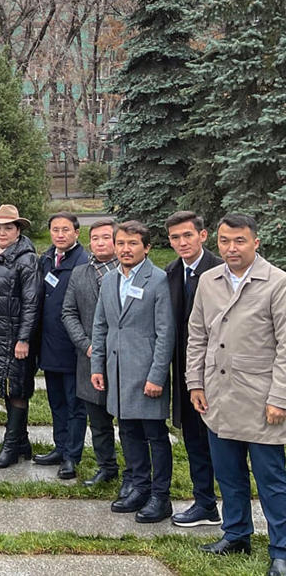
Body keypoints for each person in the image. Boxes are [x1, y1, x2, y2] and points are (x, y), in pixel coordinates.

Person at [186, 214, 286, 575]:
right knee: (228, 475)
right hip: (218, 397)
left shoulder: (276, 283)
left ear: (255, 243)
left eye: (239, 241)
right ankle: (237, 534)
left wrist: (280, 397)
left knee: (272, 481)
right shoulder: (209, 281)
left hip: (260, 399)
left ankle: (281, 549)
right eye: (225, 241)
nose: (231, 248)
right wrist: (194, 382)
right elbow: (196, 335)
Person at [91, 221, 175, 524]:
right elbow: (100, 325)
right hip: (116, 372)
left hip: (145, 375)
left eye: (133, 244)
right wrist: (97, 366)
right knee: (127, 432)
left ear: (147, 247)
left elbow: (165, 333)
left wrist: (157, 376)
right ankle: (139, 487)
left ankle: (160, 496)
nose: (126, 249)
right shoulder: (110, 279)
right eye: (121, 243)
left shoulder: (158, 280)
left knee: (154, 434)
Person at [165, 210, 222, 529]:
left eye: (188, 235)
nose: (182, 242)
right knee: (194, 440)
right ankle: (205, 503)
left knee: (222, 442)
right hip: (186, 371)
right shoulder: (171, 272)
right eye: (175, 237)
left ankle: (235, 508)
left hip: (218, 371)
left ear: (202, 235)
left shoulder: (220, 269)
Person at [61, 219, 127, 489]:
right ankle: (106, 465)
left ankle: (136, 472)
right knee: (98, 420)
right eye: (95, 238)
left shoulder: (127, 272)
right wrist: (86, 344)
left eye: (106, 238)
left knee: (129, 422)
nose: (100, 243)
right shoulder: (80, 273)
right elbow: (68, 312)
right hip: (89, 358)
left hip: (123, 359)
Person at [0, 205, 39, 469]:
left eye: (8, 228)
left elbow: (32, 302)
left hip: (14, 335)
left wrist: (23, 339)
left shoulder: (26, 259)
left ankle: (11, 446)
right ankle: (22, 441)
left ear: (18, 230)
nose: (2, 233)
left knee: (16, 388)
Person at [33, 212, 88, 480]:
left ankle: (72, 456)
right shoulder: (46, 259)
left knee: (74, 403)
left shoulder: (83, 262)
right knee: (56, 401)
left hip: (73, 346)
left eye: (66, 229)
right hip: (50, 343)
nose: (60, 234)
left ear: (76, 233)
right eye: (55, 229)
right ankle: (60, 445)